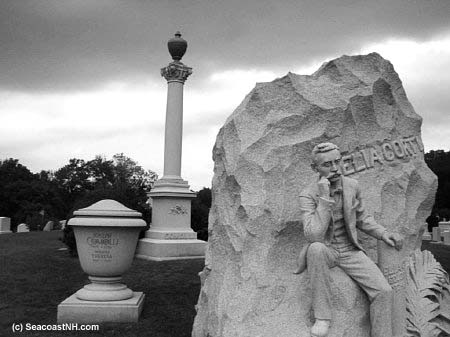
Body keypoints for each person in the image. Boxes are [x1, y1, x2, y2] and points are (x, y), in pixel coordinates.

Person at [296, 142, 403, 337]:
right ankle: (322, 317)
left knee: (384, 292)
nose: (335, 168)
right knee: (315, 248)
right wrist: (324, 198)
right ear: (315, 168)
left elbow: (362, 218)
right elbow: (313, 235)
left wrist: (382, 233)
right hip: (327, 249)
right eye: (327, 164)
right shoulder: (308, 194)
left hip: (350, 251)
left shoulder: (352, 186)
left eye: (338, 162)